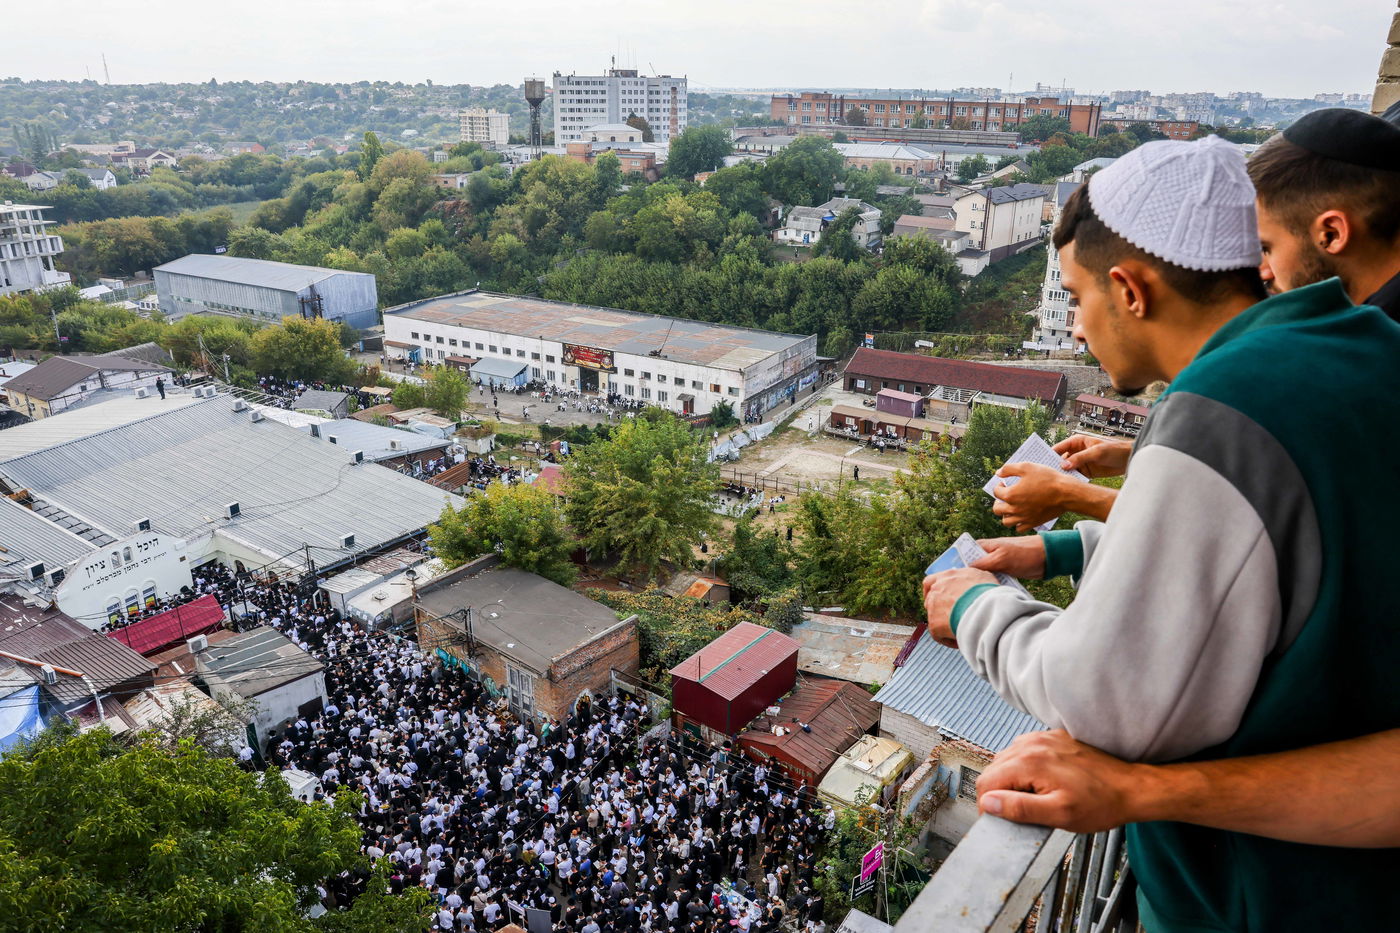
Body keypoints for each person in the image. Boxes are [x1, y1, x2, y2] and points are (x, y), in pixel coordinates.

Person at [922, 135, 1400, 932]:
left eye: (1076, 297)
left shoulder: (1223, 410)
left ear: (1130, 289)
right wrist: (1059, 549)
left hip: (1266, 892)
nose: (1075, 326)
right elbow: (1258, 562)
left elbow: (1101, 698)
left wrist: (974, 609)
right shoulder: (1362, 346)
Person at [988, 106, 1400, 534]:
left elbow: (1227, 537)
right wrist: (1141, 454)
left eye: (1266, 246)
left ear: (1131, 290)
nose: (1262, 270)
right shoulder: (1358, 343)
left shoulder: (1231, 396)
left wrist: (971, 599)